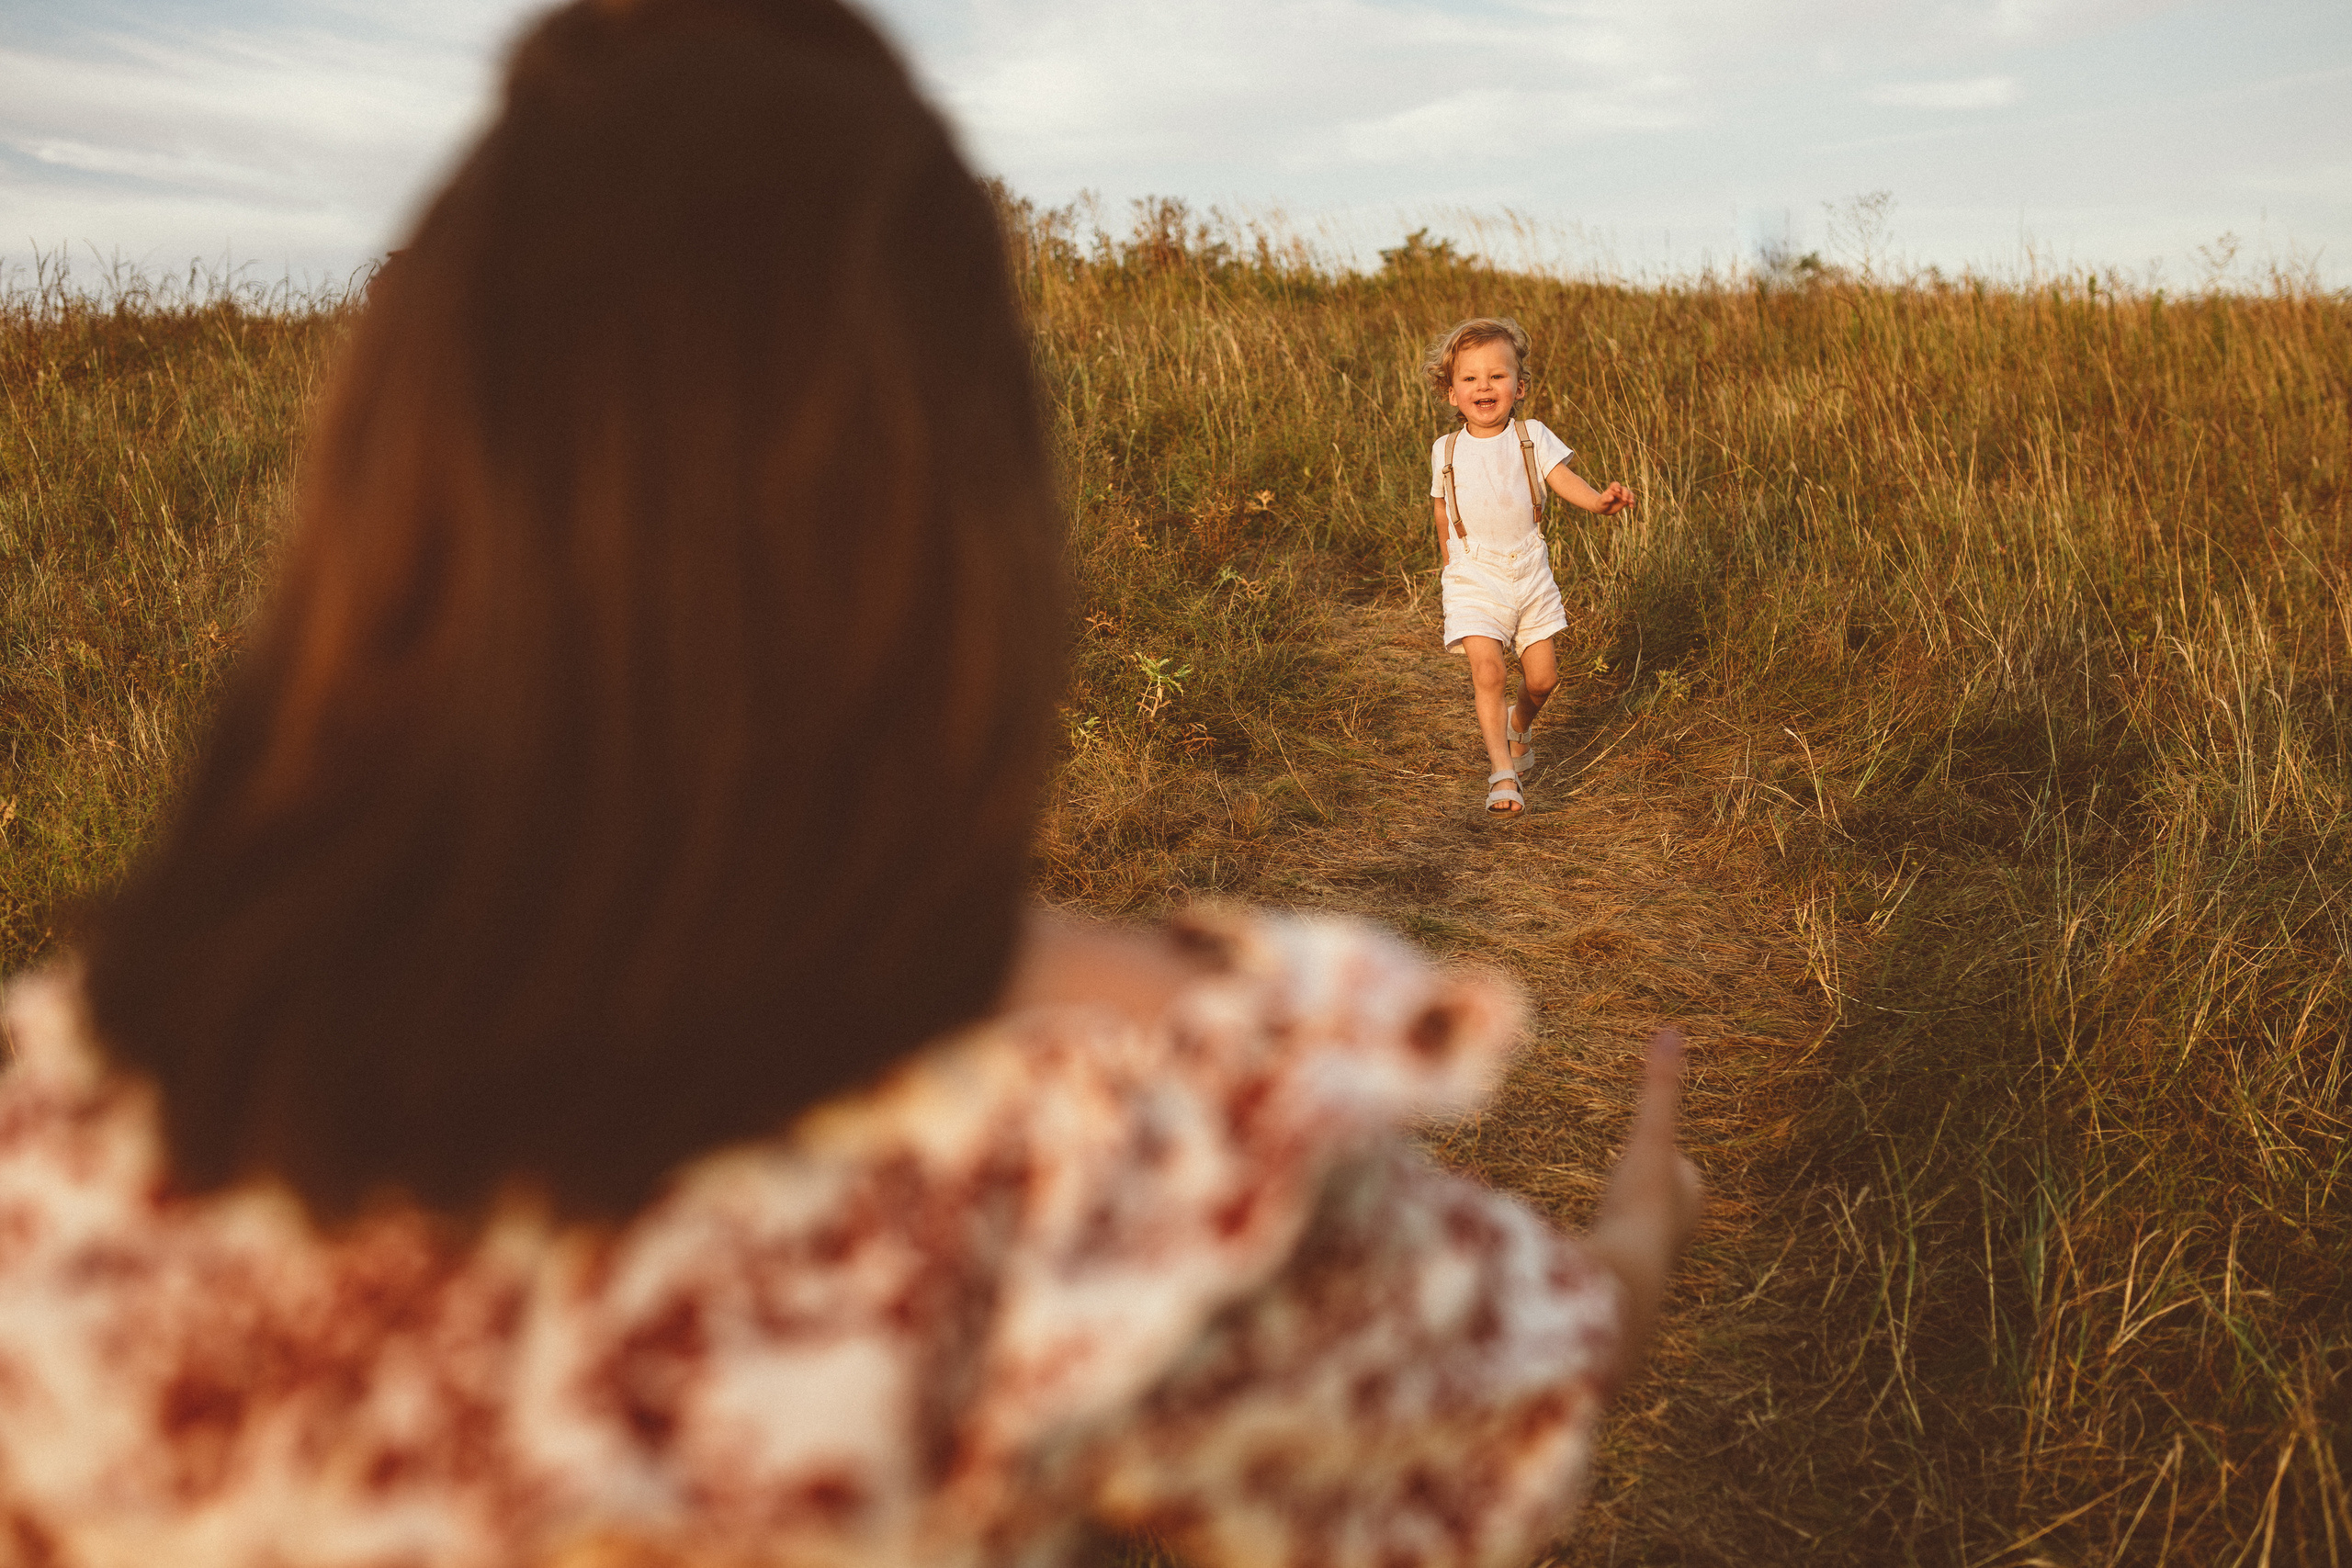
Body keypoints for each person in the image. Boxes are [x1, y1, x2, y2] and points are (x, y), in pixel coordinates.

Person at [0, 4, 1701, 1566]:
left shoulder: (53, 1145)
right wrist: (1644, 1214)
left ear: (389, 493)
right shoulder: (1129, 1126)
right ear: (956, 514)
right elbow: (1538, 1366)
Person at [1425, 319, 1635, 815]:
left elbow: (1563, 479)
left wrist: (1599, 502)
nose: (1484, 387)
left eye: (1497, 376)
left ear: (1519, 387)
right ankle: (1502, 772)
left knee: (1543, 680)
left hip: (1529, 570)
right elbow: (1441, 506)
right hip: (1473, 575)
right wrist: (1450, 562)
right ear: (1451, 392)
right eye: (1470, 378)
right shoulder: (1445, 448)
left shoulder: (1532, 436)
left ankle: (1518, 723)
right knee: (1488, 671)